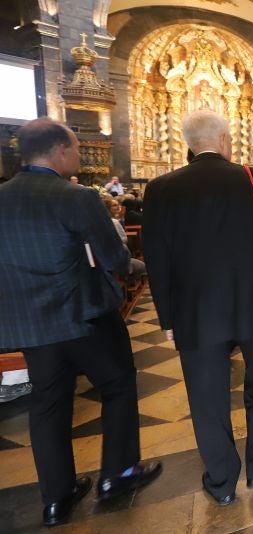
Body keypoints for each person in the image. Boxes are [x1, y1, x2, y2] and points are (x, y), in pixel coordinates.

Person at [0, 118, 161, 527]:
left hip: (31, 326)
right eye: (74, 147)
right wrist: (145, 266)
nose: (78, 154)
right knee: (119, 387)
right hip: (85, 316)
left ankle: (56, 498)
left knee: (48, 406)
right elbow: (114, 258)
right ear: (58, 150)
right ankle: (118, 474)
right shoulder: (76, 196)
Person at [142, 110, 253, 506]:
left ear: (187, 142)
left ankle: (222, 481)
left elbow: (156, 260)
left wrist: (167, 317)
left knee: (206, 398)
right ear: (225, 139)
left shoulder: (160, 188)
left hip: (194, 310)